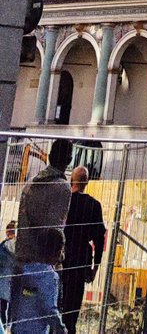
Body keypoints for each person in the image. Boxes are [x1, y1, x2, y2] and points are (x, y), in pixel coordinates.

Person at [61, 170, 106, 334]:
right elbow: (99, 239)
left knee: (56, 304)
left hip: (60, 259)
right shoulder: (93, 205)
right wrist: (95, 266)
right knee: (72, 310)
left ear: (71, 180)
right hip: (80, 262)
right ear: (87, 183)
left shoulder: (63, 201)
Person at [16, 143, 72, 266]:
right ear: (69, 160)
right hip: (43, 262)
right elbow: (56, 230)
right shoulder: (62, 187)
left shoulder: (31, 182)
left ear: (50, 157)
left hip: (22, 257)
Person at [8, 226, 67, 334]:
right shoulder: (50, 276)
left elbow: (19, 297)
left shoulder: (24, 271)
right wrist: (61, 328)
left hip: (17, 329)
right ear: (58, 252)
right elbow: (49, 308)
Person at [0, 224, 16, 328]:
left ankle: (4, 327)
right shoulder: (21, 247)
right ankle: (8, 326)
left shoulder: (3, 246)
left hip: (3, 281)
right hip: (14, 282)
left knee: (2, 307)